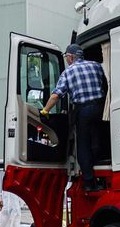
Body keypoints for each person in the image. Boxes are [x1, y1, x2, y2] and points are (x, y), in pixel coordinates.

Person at [40, 43, 107, 191]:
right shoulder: (97, 66)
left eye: (66, 57)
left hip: (84, 110)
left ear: (70, 57)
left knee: (83, 144)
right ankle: (100, 165)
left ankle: (89, 182)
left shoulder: (68, 72)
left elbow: (57, 95)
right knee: (97, 137)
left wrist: (45, 111)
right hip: (101, 108)